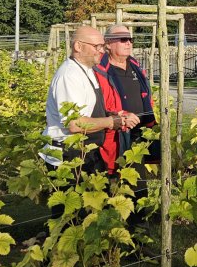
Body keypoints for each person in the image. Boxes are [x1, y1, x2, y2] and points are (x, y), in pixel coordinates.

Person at [42, 25, 139, 175]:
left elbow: (90, 108)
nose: (102, 50)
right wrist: (112, 122)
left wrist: (115, 114)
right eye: (97, 46)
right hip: (69, 157)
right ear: (78, 46)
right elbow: (74, 124)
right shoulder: (69, 76)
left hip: (86, 151)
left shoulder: (87, 70)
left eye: (103, 46)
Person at [94, 25, 160, 166]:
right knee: (115, 179)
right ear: (108, 44)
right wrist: (121, 116)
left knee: (137, 181)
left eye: (130, 39)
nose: (129, 43)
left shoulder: (135, 65)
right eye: (123, 39)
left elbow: (145, 94)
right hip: (117, 136)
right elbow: (100, 105)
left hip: (140, 134)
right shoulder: (100, 71)